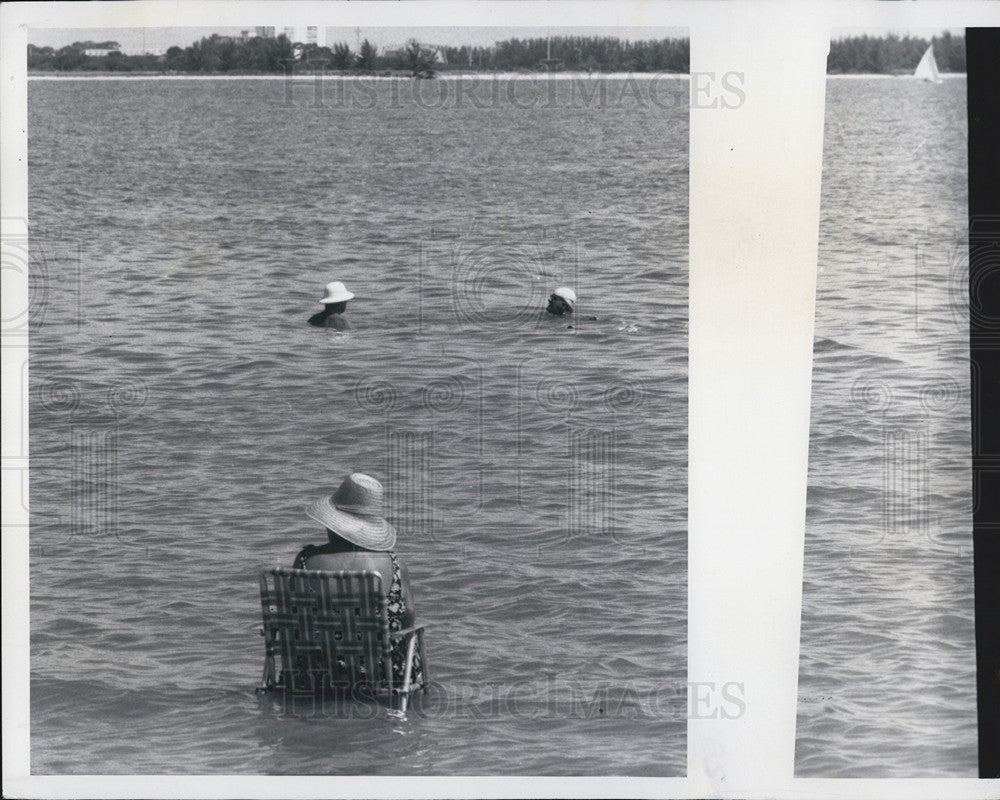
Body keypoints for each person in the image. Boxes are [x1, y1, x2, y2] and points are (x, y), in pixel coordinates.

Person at [294, 472, 421, 688]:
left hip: (318, 670)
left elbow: (294, 614)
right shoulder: (394, 564)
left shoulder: (307, 560)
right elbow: (408, 617)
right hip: (382, 673)